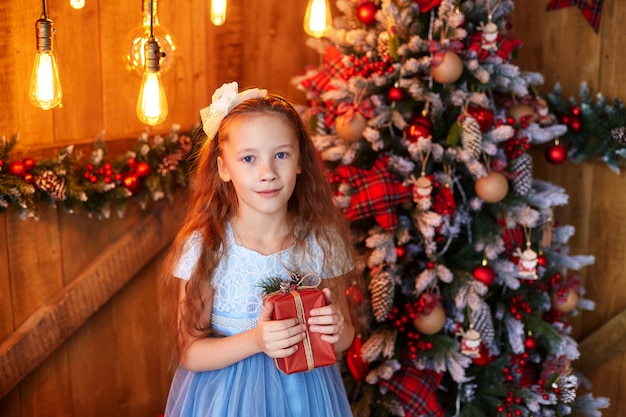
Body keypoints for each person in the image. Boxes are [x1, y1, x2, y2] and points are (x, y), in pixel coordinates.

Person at [161, 81, 359, 417]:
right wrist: (256, 340)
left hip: (307, 397)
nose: (267, 173)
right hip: (226, 399)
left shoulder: (321, 242)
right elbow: (192, 353)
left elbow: (343, 339)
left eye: (281, 154)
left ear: (300, 161)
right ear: (224, 168)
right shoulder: (206, 246)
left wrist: (338, 329)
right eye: (249, 158)